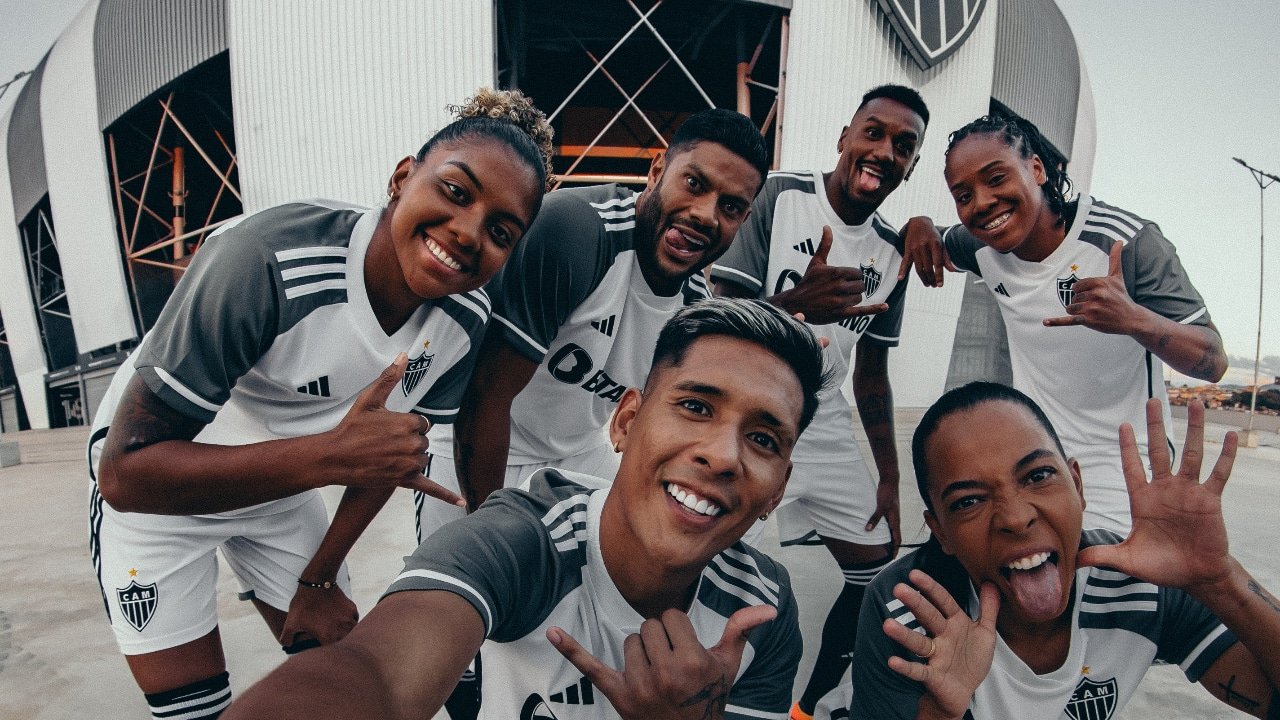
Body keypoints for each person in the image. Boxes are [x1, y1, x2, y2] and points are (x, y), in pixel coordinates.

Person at [86, 89, 554, 720]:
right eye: (455, 191)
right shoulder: (266, 259)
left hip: (282, 494)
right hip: (162, 493)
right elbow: (124, 475)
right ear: (401, 178)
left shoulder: (464, 319)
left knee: (345, 693)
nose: (468, 233)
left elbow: (388, 459)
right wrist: (330, 456)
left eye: (501, 231)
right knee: (194, 712)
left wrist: (319, 578)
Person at [223, 298, 831, 720]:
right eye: (696, 407)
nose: (723, 455)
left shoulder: (758, 609)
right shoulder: (525, 540)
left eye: (763, 439)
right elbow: (371, 675)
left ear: (778, 490)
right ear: (625, 420)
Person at [413, 108, 770, 542]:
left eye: (730, 207)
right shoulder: (577, 231)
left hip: (579, 452)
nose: (705, 215)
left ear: (744, 220)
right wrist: (489, 527)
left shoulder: (695, 306)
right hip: (478, 440)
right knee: (465, 586)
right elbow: (486, 396)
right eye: (694, 184)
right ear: (658, 169)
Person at [850, 382, 1280, 719]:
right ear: (939, 531)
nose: (1015, 518)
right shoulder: (908, 612)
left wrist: (1221, 581)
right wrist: (939, 713)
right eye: (968, 501)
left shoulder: (1140, 587)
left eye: (1037, 475)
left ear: (1077, 484)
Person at [711, 84, 929, 720]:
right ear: (845, 137)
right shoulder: (779, 196)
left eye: (903, 145)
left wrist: (890, 479)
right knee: (700, 556)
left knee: (876, 570)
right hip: (748, 403)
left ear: (910, 166)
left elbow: (872, 375)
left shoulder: (894, 252)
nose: (884, 151)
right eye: (874, 132)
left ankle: (808, 708)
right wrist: (795, 308)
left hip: (824, 418)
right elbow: (717, 320)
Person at [898, 114, 1226, 533]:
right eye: (963, 195)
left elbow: (1212, 361)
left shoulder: (1124, 242)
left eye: (996, 178)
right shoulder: (980, 243)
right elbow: (931, 237)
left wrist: (1133, 320)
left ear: (1036, 169)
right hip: (1033, 454)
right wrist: (919, 223)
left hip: (1121, 462)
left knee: (1098, 585)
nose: (981, 203)